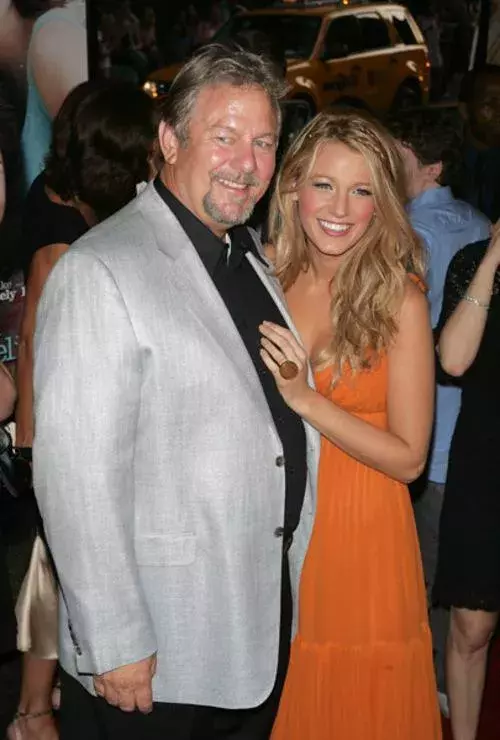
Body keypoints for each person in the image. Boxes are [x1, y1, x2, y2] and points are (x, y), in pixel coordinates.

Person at [32, 44, 319, 740]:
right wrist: (115, 638)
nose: (245, 163)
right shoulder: (103, 268)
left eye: (263, 143)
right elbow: (75, 477)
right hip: (158, 650)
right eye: (224, 137)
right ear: (168, 140)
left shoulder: (248, 256)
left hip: (248, 627)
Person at [258, 111, 441, 739]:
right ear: (293, 189)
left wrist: (307, 400)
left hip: (363, 535)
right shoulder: (269, 278)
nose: (340, 209)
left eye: (361, 191)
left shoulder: (399, 299)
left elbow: (411, 457)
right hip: (279, 527)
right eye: (324, 185)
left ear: (381, 204)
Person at [7, 78, 157, 740]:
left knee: (59, 569)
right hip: (54, 437)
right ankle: (34, 712)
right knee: (57, 570)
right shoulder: (65, 239)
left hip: (57, 431)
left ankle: (44, 703)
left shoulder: (61, 199)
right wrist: (35, 445)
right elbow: (35, 344)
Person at [390, 110, 490, 715]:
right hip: (465, 435)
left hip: (434, 437)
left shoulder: (410, 236)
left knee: (427, 581)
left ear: (431, 167)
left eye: (398, 155)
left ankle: (429, 696)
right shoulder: (476, 223)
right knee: (461, 589)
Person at [433, 229, 500, 740]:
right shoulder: (475, 261)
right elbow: (453, 361)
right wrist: (492, 260)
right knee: (472, 627)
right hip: (486, 465)